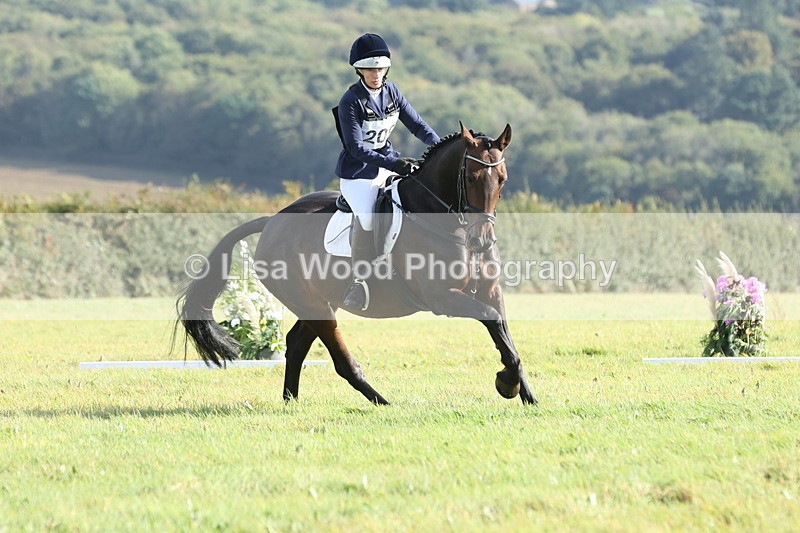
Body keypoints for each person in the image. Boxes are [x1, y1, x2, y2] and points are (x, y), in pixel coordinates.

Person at [334, 33, 440, 311]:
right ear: (359, 70)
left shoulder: (392, 92)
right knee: (368, 218)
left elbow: (418, 126)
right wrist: (394, 164)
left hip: (388, 162)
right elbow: (355, 148)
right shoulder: (350, 101)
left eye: (380, 68)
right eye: (370, 69)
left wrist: (441, 149)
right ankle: (359, 282)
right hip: (358, 173)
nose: (376, 74)